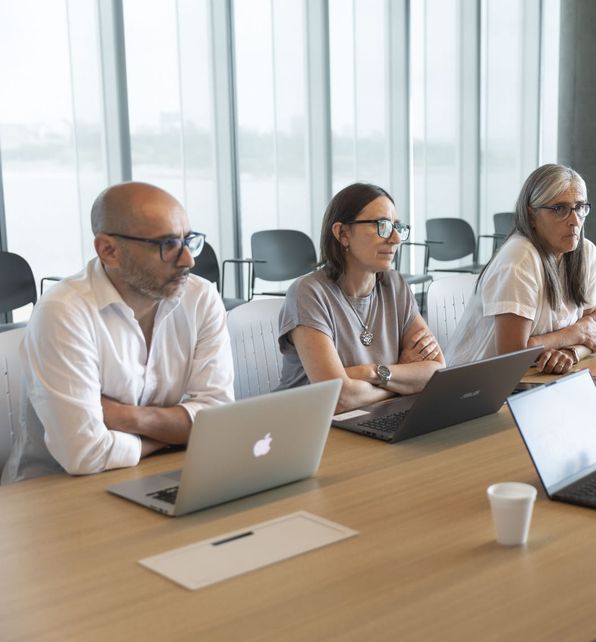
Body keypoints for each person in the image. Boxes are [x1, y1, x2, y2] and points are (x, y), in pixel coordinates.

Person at [1, 182, 234, 484]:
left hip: (158, 473)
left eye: (189, 241)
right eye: (167, 245)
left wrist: (127, 417)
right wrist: (175, 435)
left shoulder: (200, 298)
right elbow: (85, 454)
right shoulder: (63, 311)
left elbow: (219, 419)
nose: (188, 259)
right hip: (55, 488)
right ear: (109, 251)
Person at [276, 182, 444, 413]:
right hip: (308, 423)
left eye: (397, 227)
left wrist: (370, 372)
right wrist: (402, 380)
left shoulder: (395, 285)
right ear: (343, 234)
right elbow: (338, 398)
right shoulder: (308, 293)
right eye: (382, 226)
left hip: (372, 413)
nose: (396, 238)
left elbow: (436, 371)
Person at [446, 164, 596, 374]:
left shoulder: (587, 253)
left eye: (580, 207)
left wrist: (571, 352)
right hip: (476, 381)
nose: (575, 221)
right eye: (560, 209)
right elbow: (512, 354)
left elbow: (593, 330)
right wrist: (573, 334)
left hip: (535, 375)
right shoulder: (519, 258)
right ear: (531, 215)